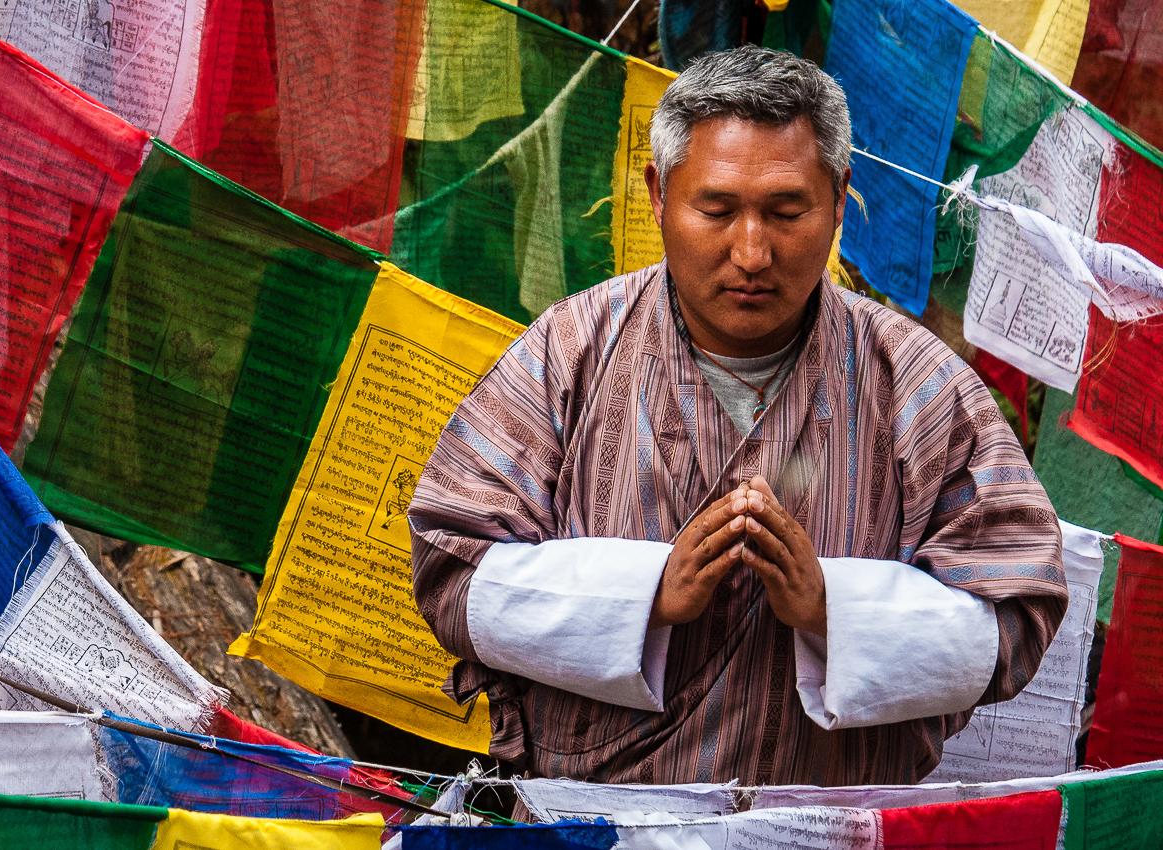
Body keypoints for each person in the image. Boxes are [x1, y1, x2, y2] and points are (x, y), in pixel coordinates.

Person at [407, 45, 1067, 786]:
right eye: (716, 210)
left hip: (827, 833)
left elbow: (1017, 616)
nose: (752, 252)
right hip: (601, 830)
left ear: (840, 195)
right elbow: (449, 566)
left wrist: (833, 611)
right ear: (660, 196)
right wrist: (645, 595)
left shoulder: (918, 384)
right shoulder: (569, 354)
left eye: (787, 211)